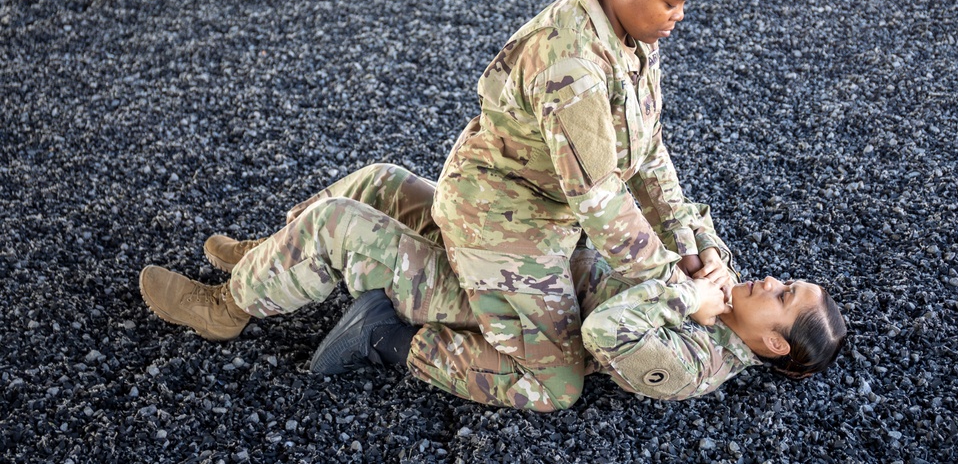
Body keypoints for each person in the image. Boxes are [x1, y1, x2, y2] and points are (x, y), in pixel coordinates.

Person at [139, 164, 846, 409]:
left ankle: (227, 307)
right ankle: (265, 255)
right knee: (384, 182)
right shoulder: (729, 302)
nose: (771, 279)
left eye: (784, 294)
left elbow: (602, 334)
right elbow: (681, 222)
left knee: (341, 226)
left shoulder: (691, 366)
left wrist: (679, 296)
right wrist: (703, 252)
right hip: (532, 248)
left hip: (513, 299)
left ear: (773, 341)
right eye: (786, 279)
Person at [426, 0, 734, 411]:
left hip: (547, 217)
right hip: (501, 220)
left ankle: (482, 295)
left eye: (686, 3)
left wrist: (684, 244)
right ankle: (389, 334)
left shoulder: (631, 31)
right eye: (673, 1)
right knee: (557, 386)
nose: (680, 16)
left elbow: (647, 150)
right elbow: (599, 198)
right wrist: (676, 289)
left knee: (576, 323)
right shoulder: (572, 67)